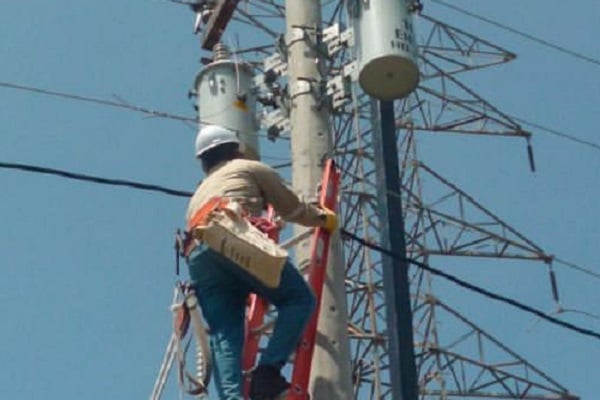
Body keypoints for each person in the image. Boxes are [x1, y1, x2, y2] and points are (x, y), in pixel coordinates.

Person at [184, 125, 338, 400]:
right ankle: (267, 374)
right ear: (235, 149)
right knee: (298, 299)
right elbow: (291, 208)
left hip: (199, 253)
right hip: (232, 236)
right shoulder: (249, 168)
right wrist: (321, 218)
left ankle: (231, 397)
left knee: (224, 333)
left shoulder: (199, 192)